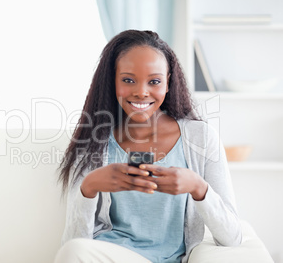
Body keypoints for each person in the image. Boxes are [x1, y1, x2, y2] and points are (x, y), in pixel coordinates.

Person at [55, 30, 242, 263]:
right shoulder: (94, 138)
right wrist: (89, 188)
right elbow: (73, 244)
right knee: (73, 253)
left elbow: (232, 236)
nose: (141, 92)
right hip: (109, 255)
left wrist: (198, 187)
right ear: (112, 80)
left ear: (168, 81)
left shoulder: (200, 137)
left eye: (154, 81)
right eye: (128, 80)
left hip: (170, 259)